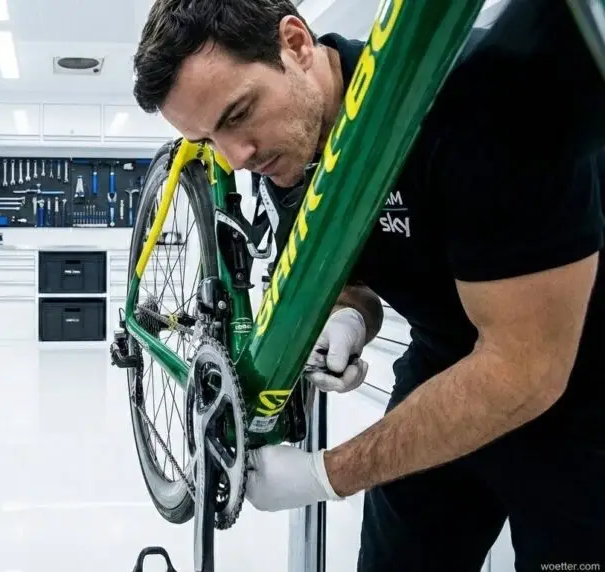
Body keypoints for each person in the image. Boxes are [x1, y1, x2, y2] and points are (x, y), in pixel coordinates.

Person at [132, 0, 605, 570]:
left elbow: (524, 371)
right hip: (446, 360)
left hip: (576, 386)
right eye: (209, 140)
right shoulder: (288, 149)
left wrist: (325, 474)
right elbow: (347, 270)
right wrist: (348, 313)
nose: (237, 157)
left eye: (238, 115)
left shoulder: (481, 101)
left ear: (297, 45)